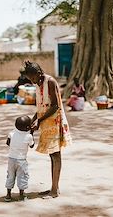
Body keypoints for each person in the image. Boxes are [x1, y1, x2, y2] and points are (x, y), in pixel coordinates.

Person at [24, 61, 72, 199]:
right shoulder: (38, 84)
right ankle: (53, 187)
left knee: (56, 155)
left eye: (33, 78)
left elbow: (55, 106)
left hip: (54, 122)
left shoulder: (50, 82)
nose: (32, 81)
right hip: (46, 122)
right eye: (30, 79)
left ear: (39, 74)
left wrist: (39, 120)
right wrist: (33, 119)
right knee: (52, 155)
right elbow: (41, 107)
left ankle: (55, 190)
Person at [5, 115, 35, 202]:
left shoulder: (11, 133)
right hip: (21, 160)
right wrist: (32, 133)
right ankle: (21, 195)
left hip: (11, 159)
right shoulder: (28, 136)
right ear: (27, 127)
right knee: (22, 176)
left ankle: (8, 195)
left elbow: (8, 143)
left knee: (10, 176)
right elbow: (32, 145)